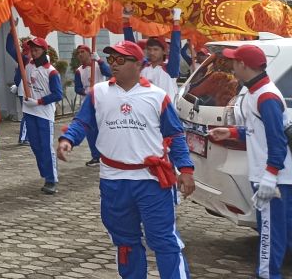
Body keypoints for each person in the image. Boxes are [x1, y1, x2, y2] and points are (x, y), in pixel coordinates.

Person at [58, 40, 195, 279]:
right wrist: (68, 138)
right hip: (114, 180)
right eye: (111, 60)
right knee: (125, 242)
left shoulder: (157, 96)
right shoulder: (98, 93)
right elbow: (82, 122)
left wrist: (186, 169)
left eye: (121, 60)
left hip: (150, 180)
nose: (114, 64)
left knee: (163, 240)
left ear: (138, 64)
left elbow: (174, 135)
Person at [209, 44, 291, 279]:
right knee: (280, 229)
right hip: (272, 174)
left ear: (243, 65)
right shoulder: (255, 93)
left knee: (269, 231)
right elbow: (260, 131)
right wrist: (231, 133)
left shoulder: (265, 95)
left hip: (273, 177)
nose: (232, 67)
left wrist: (270, 175)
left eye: (234, 62)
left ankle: (267, 275)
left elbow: (276, 139)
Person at [19, 34, 64, 194]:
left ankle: (51, 179)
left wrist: (38, 102)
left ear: (44, 50)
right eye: (32, 49)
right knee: (35, 146)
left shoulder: (52, 72)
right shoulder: (29, 65)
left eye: (36, 49)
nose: (33, 52)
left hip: (44, 113)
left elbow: (58, 94)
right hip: (29, 111)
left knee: (46, 147)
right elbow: (14, 52)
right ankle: (45, 174)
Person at [73, 45, 111, 166]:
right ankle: (95, 156)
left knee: (105, 129)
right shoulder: (79, 70)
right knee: (91, 130)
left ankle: (108, 155)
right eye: (78, 52)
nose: (80, 54)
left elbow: (109, 72)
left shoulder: (98, 66)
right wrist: (86, 92)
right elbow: (77, 88)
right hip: (88, 102)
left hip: (103, 101)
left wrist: (99, 60)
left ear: (90, 54)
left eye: (83, 52)